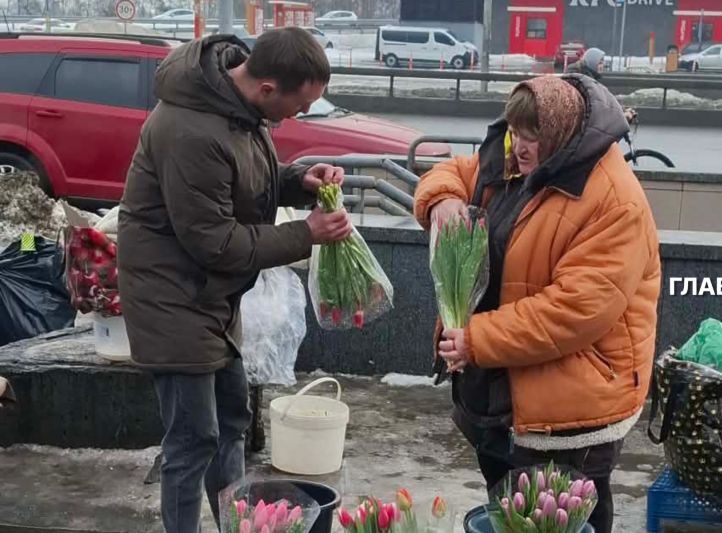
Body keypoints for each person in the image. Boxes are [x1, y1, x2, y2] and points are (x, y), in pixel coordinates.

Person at [117, 28, 352, 533]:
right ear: (267, 87)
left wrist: (298, 180)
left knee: (230, 424)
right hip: (172, 298)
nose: (300, 116)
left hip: (213, 296)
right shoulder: (190, 130)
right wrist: (305, 234)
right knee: (192, 439)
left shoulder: (238, 111)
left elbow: (245, 179)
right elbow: (214, 242)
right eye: (298, 106)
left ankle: (236, 525)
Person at [413, 74, 661, 533]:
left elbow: (573, 311)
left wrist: (477, 340)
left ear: (563, 136)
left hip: (569, 411)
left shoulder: (614, 201)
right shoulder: (514, 159)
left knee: (564, 520)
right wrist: (441, 201)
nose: (520, 148)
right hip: (500, 391)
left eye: (534, 138)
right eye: (515, 134)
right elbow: (456, 171)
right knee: (509, 510)